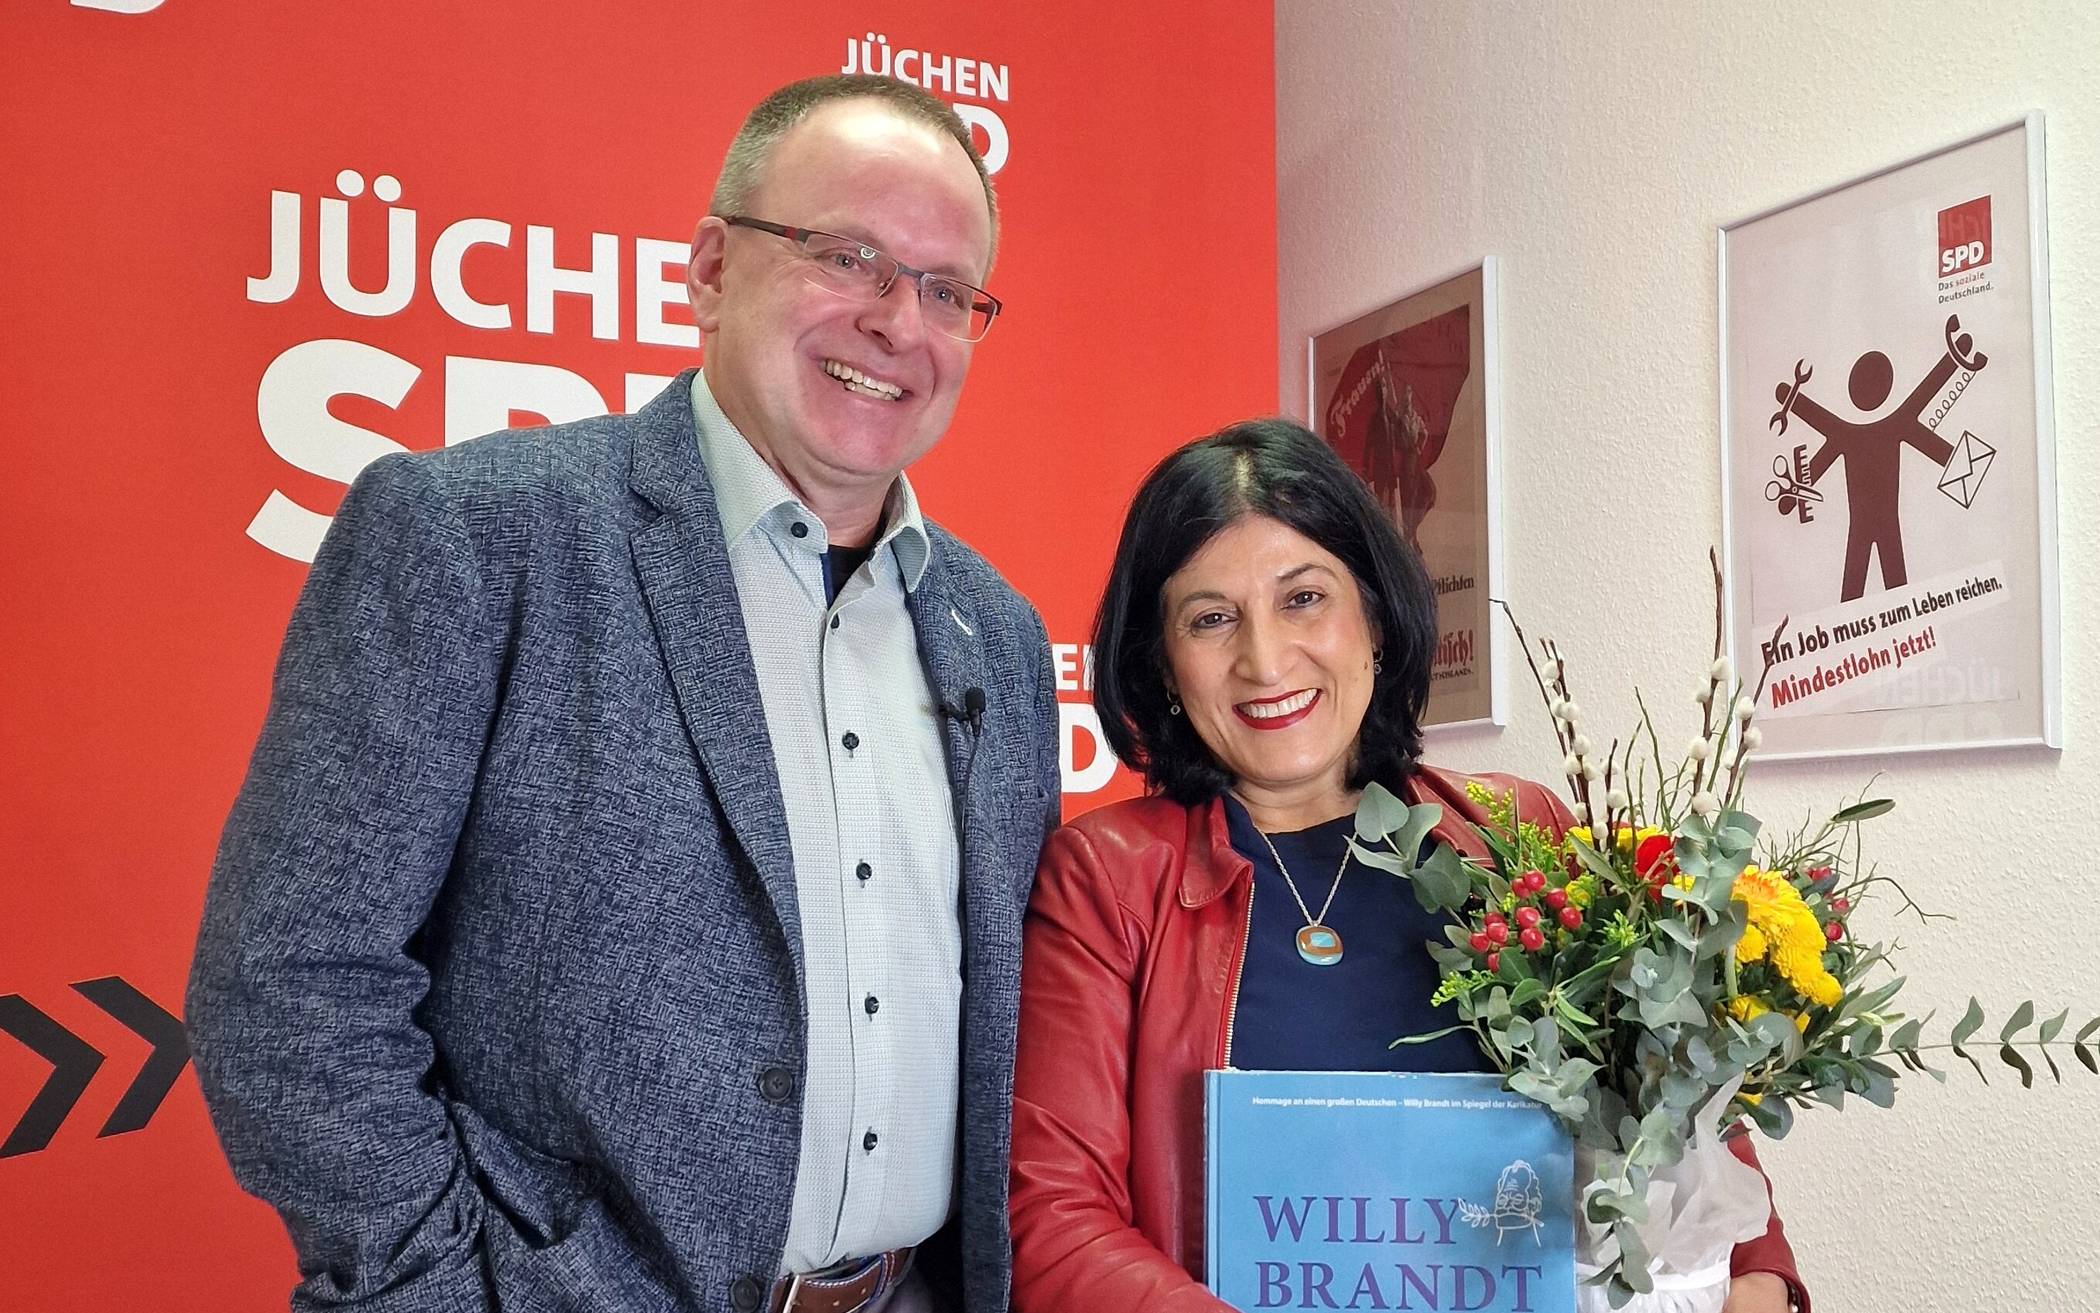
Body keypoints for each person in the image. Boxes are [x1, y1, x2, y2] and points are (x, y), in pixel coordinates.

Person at [186, 74, 1060, 1313]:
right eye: (848, 256)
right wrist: (443, 1290)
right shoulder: (472, 536)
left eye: (944, 289)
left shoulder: (1000, 634)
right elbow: (286, 982)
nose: (897, 322)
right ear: (710, 271)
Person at [1007, 419, 1809, 1313]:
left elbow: (1683, 1109)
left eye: (1303, 598)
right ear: (1161, 665)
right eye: (1210, 618)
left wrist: (1754, 1275)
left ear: (1375, 620)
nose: (1265, 658)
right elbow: (1055, 1220)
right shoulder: (1104, 882)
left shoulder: (1518, 834)